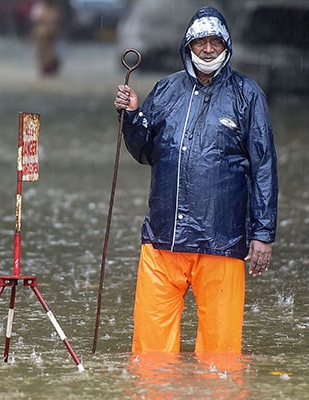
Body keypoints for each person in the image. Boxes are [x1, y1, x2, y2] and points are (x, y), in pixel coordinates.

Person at [113, 6, 278, 354]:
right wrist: (131, 116)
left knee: (221, 358)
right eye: (200, 42)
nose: (207, 49)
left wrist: (263, 233)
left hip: (222, 240)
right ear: (187, 46)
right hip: (162, 240)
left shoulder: (248, 95)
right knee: (150, 355)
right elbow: (144, 151)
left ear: (226, 46)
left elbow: (264, 166)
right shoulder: (166, 90)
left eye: (214, 42)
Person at [30, 0, 63, 77]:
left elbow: (59, 21)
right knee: (42, 52)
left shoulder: (54, 10)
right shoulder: (40, 9)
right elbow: (35, 21)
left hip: (51, 34)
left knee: (51, 52)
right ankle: (44, 69)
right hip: (42, 34)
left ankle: (50, 69)